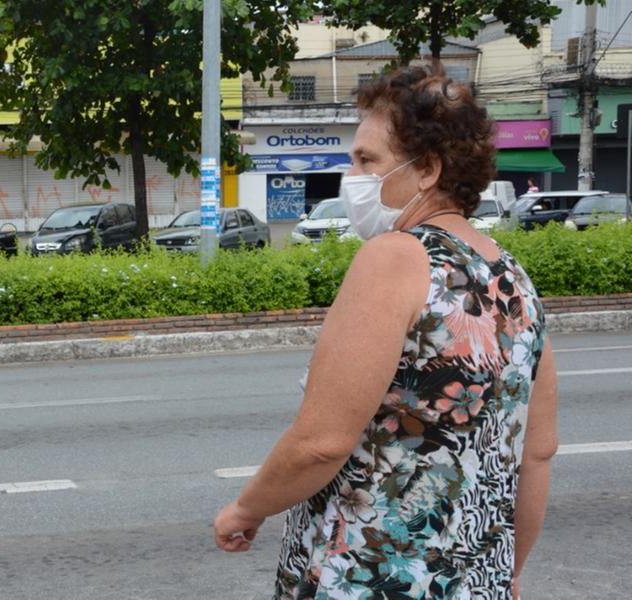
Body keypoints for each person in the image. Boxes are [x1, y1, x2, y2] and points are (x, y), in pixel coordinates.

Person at [214, 64, 556, 599]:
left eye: (366, 160)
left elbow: (322, 443)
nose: (352, 174)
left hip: (371, 581)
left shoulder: (397, 258)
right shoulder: (515, 280)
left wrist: (245, 507)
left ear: (427, 170)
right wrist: (509, 571)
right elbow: (537, 453)